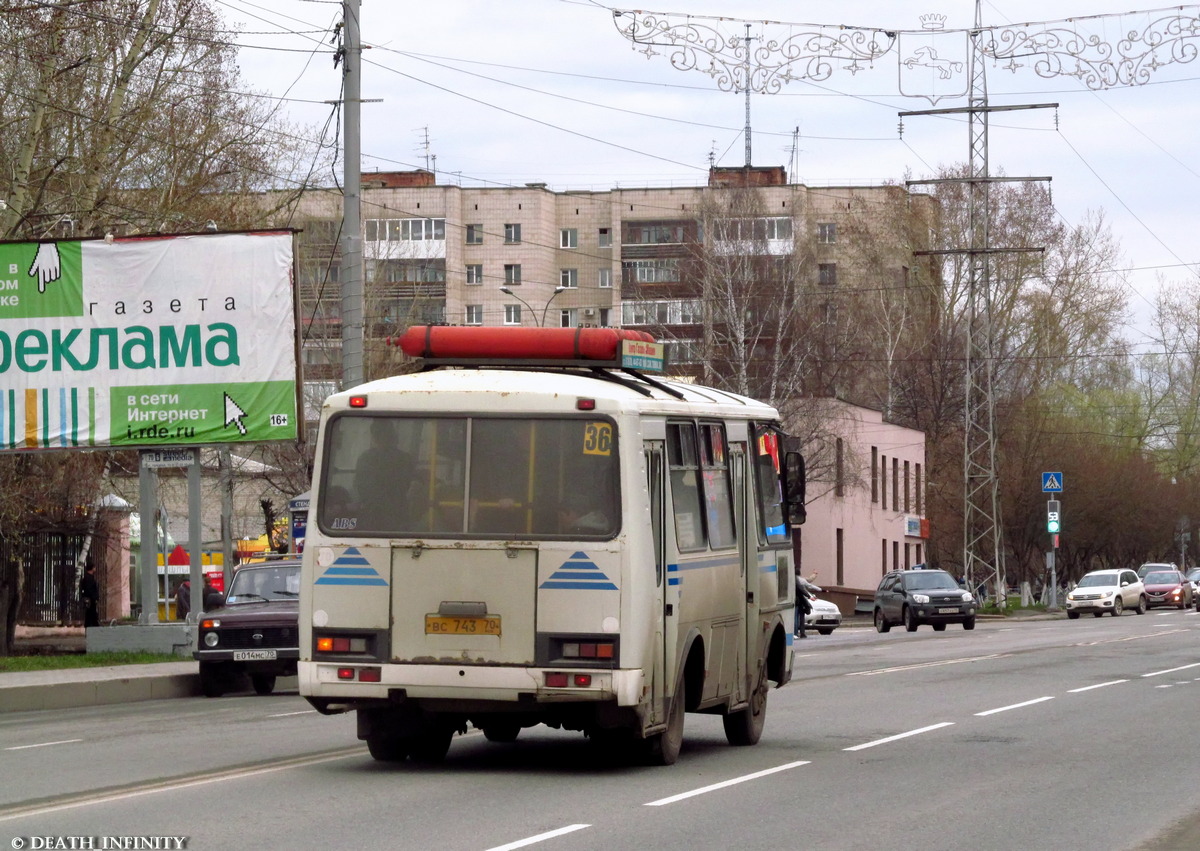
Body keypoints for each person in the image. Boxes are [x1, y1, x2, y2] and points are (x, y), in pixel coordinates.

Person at [79, 562, 100, 627]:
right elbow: (89, 589)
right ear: (92, 568)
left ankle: (91, 626)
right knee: (91, 613)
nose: (95, 569)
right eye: (94, 567)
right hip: (90, 599)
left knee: (90, 614)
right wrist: (94, 597)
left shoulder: (89, 577)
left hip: (90, 599)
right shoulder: (88, 578)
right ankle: (94, 627)